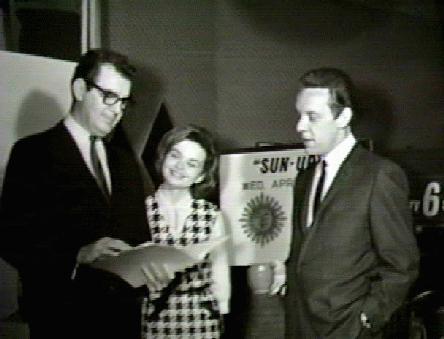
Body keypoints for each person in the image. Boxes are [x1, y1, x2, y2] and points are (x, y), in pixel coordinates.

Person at [0, 49, 172, 339]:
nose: (117, 110)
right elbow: (11, 237)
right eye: (109, 96)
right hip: (62, 316)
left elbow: (137, 233)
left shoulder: (125, 160)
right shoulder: (32, 153)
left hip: (122, 319)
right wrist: (77, 255)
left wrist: (149, 268)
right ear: (80, 89)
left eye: (124, 101)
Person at [284, 67, 419, 338]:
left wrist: (366, 319)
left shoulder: (380, 175)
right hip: (300, 327)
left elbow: (401, 266)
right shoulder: (305, 178)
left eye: (312, 117)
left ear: (343, 116)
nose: (300, 126)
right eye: (300, 116)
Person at [141, 125, 231, 338]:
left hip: (201, 317)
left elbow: (220, 270)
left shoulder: (212, 215)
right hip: (156, 316)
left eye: (192, 164)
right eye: (175, 156)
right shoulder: (140, 210)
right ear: (163, 157)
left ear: (201, 176)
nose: (180, 167)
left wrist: (222, 312)